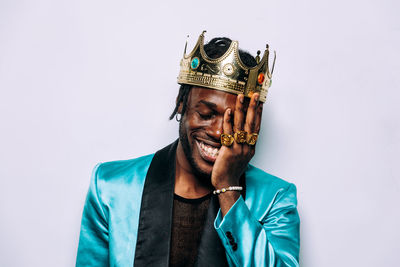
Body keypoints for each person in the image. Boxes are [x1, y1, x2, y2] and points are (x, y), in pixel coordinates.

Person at [76, 31, 300, 267]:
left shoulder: (276, 198)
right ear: (181, 103)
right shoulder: (110, 187)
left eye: (232, 121)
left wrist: (228, 188)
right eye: (206, 114)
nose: (217, 132)